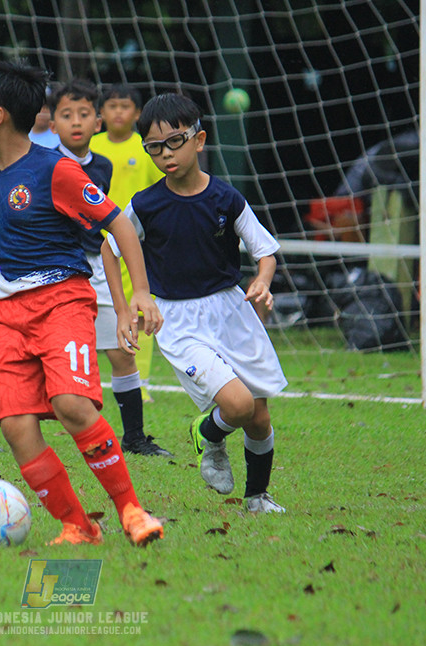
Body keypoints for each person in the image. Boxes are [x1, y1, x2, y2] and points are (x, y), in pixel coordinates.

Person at [0, 61, 165, 546]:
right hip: (8, 316)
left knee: (72, 404)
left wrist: (136, 294)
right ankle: (78, 525)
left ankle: (131, 510)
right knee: (13, 425)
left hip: (62, 303)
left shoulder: (57, 170)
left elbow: (116, 225)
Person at [0, 79, 169, 457]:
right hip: (49, 282)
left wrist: (127, 300)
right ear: (53, 125)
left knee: (116, 356)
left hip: (86, 272)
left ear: (96, 122)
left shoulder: (98, 166)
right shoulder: (27, 166)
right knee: (28, 368)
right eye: (67, 115)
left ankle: (133, 440)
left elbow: (113, 225)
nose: (76, 122)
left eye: (84, 115)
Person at [103, 93, 288, 514]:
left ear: (199, 139)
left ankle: (257, 497)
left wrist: (261, 281)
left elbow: (266, 254)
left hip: (231, 312)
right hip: (180, 320)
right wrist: (132, 299)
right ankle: (207, 433)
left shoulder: (226, 199)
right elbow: (109, 250)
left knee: (258, 416)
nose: (165, 153)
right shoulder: (145, 205)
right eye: (154, 146)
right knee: (237, 406)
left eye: (175, 141)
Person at [90, 84, 164, 402]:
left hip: (135, 246)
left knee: (139, 312)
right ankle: (84, 380)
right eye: (112, 106)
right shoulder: (90, 147)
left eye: (125, 106)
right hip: (92, 247)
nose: (118, 111)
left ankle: (140, 381)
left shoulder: (145, 148)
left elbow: (160, 191)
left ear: (136, 114)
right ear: (101, 114)